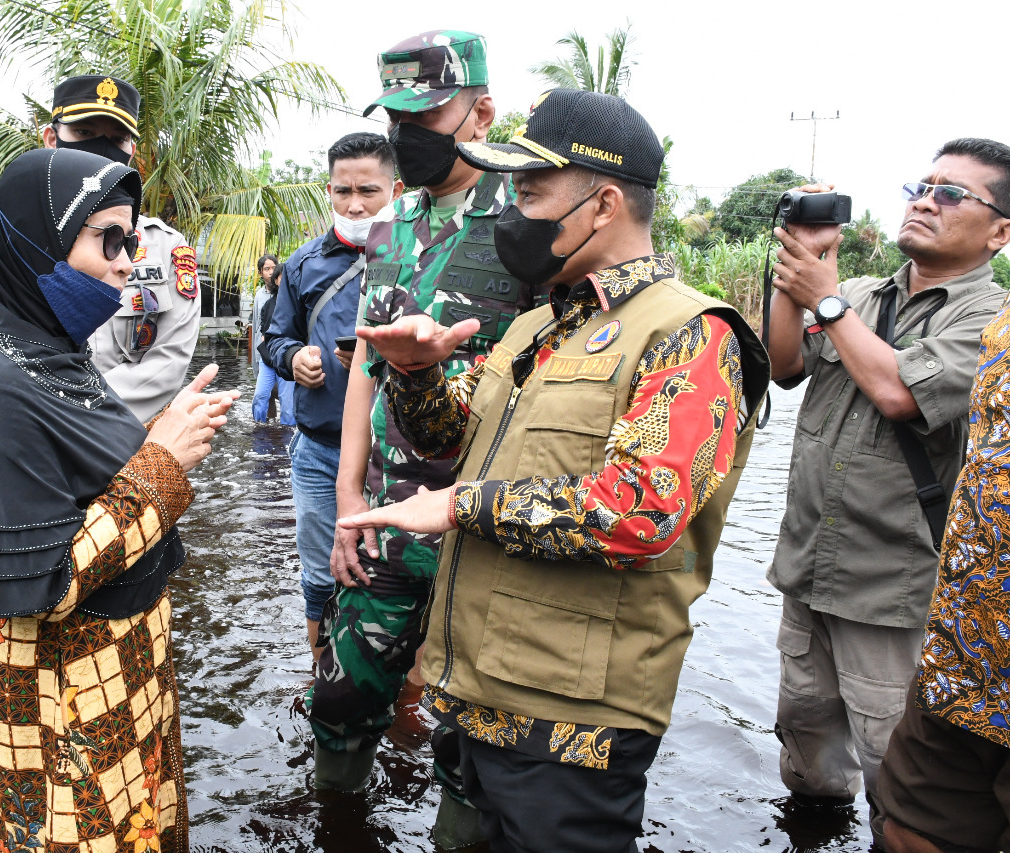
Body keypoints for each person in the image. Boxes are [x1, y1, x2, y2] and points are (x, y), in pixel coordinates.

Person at [338, 88, 770, 853]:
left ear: (603, 205)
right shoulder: (537, 326)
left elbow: (640, 511)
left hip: (574, 719)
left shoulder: (690, 334)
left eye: (532, 192)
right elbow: (446, 437)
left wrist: (462, 506)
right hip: (482, 688)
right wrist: (414, 371)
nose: (513, 211)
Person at [0, 147, 237, 853]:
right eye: (107, 240)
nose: (127, 263)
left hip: (113, 683)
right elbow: (42, 584)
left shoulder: (54, 355)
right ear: (35, 245)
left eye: (130, 241)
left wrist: (163, 434)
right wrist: (163, 462)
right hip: (61, 715)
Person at [315, 29, 534, 846]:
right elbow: (365, 369)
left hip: (482, 521)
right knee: (341, 695)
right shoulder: (389, 226)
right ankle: (336, 819)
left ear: (482, 113)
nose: (409, 133)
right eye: (397, 118)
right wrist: (347, 497)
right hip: (384, 514)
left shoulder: (528, 222)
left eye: (427, 115)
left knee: (471, 733)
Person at [764, 139, 1009, 840]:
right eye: (921, 187)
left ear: (1000, 233)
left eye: (952, 193)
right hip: (809, 566)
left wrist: (824, 296)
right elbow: (783, 365)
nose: (926, 201)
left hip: (891, 585)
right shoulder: (861, 296)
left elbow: (900, 393)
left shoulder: (992, 321)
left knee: (891, 762)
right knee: (806, 742)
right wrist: (796, 272)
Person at [0, 74, 200, 421]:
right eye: (83, 132)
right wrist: (53, 418)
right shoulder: (0, 237)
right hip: (24, 425)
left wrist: (86, 417)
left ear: (131, 151)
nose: (101, 148)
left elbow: (168, 361)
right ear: (52, 139)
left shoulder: (164, 246)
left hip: (128, 433)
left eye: (117, 138)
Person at [261, 132, 402, 661]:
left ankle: (400, 692)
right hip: (320, 449)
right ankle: (320, 676)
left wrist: (384, 360)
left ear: (396, 190)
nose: (355, 204)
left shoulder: (418, 260)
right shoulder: (302, 264)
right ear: (329, 191)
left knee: (401, 573)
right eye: (343, 191)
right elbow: (275, 337)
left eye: (368, 191)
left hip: (396, 455)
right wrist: (294, 358)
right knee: (320, 574)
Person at [251, 257, 297, 425]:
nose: (282, 281)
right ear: (276, 281)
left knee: (287, 402)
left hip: (287, 357)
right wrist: (259, 357)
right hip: (268, 358)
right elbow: (261, 332)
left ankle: (287, 433)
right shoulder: (267, 304)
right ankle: (259, 428)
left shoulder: (297, 303)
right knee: (261, 395)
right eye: (279, 277)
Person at [249, 253, 278, 376]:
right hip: (263, 349)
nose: (271, 272)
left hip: (280, 347)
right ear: (260, 273)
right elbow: (256, 326)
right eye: (267, 269)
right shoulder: (259, 296)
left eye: (274, 268)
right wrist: (255, 357)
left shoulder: (285, 293)